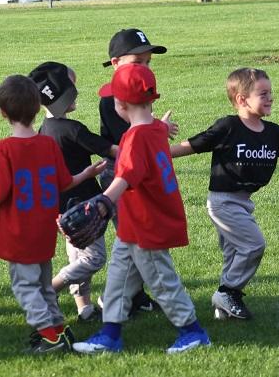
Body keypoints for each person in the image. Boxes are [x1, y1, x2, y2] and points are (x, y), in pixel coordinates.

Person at [0, 75, 105, 353]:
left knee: (26, 288)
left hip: (19, 234)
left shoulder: (3, 149)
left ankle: (48, 336)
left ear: (2, 112)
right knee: (44, 286)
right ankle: (59, 329)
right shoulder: (47, 143)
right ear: (37, 109)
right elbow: (64, 182)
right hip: (44, 232)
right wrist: (87, 172)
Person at [73, 63, 211, 354]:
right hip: (135, 224)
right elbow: (157, 128)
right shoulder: (155, 128)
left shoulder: (133, 138)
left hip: (148, 223)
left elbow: (125, 176)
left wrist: (104, 201)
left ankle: (193, 331)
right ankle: (110, 334)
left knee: (161, 280)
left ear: (119, 104)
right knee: (119, 279)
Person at [170, 68, 279, 320]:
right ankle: (228, 290)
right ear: (242, 99)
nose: (270, 98)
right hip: (222, 202)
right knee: (253, 245)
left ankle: (224, 306)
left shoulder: (272, 132)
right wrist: (155, 151)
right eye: (262, 94)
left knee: (234, 252)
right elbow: (192, 145)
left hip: (243, 203)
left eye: (270, 92)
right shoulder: (228, 127)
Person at [30, 61, 118, 323]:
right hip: (85, 205)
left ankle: (85, 309)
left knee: (77, 257)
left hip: (62, 206)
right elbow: (111, 149)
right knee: (94, 257)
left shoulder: (44, 131)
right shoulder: (72, 129)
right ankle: (49, 289)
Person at [97, 28, 175, 315]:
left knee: (133, 243)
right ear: (116, 63)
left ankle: (131, 298)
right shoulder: (112, 100)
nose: (144, 68)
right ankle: (117, 300)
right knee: (135, 241)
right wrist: (158, 129)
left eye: (148, 63)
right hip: (121, 178)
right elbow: (130, 139)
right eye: (137, 62)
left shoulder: (138, 92)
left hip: (140, 175)